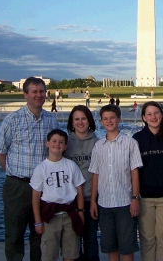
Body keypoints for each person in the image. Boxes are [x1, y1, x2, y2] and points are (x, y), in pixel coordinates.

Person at [0, 76, 60, 261]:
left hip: (44, 187)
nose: (39, 95)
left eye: (42, 91)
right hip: (18, 186)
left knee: (40, 233)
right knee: (15, 233)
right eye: (34, 92)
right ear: (25, 95)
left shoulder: (51, 120)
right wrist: (12, 173)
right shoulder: (12, 120)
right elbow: (0, 151)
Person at [88, 104, 143, 261]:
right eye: (105, 118)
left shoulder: (130, 143)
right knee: (111, 248)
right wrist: (93, 201)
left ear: (119, 119)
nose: (109, 121)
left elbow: (135, 173)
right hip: (104, 204)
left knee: (126, 248)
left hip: (125, 203)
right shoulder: (98, 146)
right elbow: (96, 175)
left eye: (112, 117)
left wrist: (135, 198)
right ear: (101, 121)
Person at [30, 129, 86, 261]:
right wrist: (38, 221)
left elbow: (79, 190)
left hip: (69, 215)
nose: (57, 144)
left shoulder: (71, 165)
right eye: (54, 141)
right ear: (47, 143)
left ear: (65, 146)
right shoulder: (41, 168)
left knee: (70, 253)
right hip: (50, 217)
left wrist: (81, 212)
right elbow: (35, 197)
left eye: (61, 142)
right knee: (49, 254)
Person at [133, 101, 163, 261]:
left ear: (162, 114)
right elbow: (134, 171)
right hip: (145, 198)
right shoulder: (137, 139)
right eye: (149, 114)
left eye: (156, 113)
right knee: (147, 239)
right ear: (143, 117)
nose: (153, 117)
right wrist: (135, 197)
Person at [65, 105, 100, 261]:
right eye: (76, 119)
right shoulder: (65, 144)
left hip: (91, 198)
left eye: (83, 118)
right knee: (73, 241)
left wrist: (93, 200)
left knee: (91, 239)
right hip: (70, 201)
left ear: (89, 120)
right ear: (72, 122)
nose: (80, 122)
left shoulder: (97, 143)